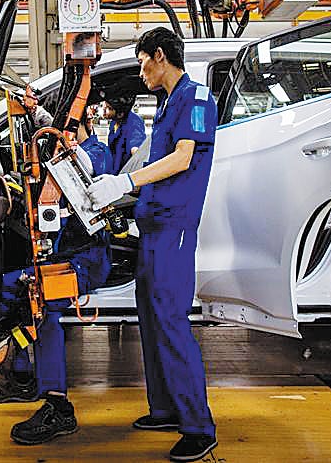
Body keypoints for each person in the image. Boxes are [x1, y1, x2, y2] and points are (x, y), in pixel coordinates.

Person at [87, 27, 218, 463]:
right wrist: (120, 195)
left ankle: (199, 426)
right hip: (153, 229)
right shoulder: (163, 108)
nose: (140, 70)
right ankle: (165, 408)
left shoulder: (196, 99)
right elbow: (152, 165)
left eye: (142, 60)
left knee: (172, 321)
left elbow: (182, 159)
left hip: (174, 230)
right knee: (151, 320)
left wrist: (125, 181)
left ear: (159, 56)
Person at [0, 108, 113, 447]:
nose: (57, 136)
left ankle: (58, 406)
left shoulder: (96, 151)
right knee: (12, 292)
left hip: (87, 260)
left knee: (39, 302)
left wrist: (47, 124)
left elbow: (84, 165)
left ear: (84, 124)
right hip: (62, 255)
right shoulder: (56, 156)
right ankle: (21, 377)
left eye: (68, 128)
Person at [106, 94, 146, 174]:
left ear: (120, 114)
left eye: (109, 108)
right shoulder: (114, 122)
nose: (105, 110)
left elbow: (136, 147)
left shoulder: (134, 122)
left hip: (125, 174)